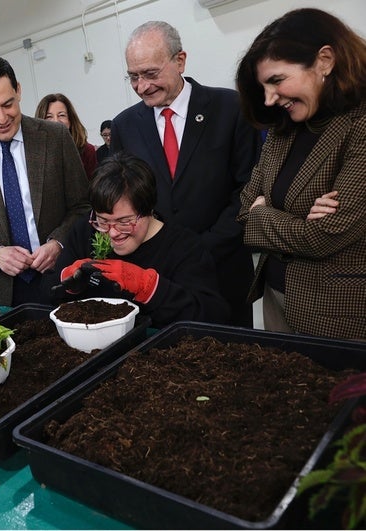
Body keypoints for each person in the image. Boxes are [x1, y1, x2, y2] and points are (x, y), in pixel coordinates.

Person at [110, 21, 259, 328]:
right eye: (133, 77)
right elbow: (125, 198)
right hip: (159, 280)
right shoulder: (125, 125)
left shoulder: (230, 108)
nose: (142, 86)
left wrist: (202, 248)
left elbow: (247, 189)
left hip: (224, 269)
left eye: (151, 74)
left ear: (180, 61)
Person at [235, 8, 366, 340]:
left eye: (277, 81)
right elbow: (243, 210)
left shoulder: (359, 125)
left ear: (324, 60)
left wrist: (263, 214)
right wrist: (299, 222)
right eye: (264, 86)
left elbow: (326, 236)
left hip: (336, 314)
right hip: (276, 299)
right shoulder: (284, 130)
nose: (269, 98)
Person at [0, 56, 90, 307]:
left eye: (8, 104)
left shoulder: (55, 138)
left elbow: (83, 206)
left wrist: (58, 243)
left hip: (60, 278)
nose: (1, 118)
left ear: (19, 91)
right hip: (0, 293)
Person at [46, 152, 229, 328]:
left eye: (124, 222)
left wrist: (149, 287)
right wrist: (68, 283)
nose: (112, 233)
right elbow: (47, 293)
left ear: (148, 210)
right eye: (102, 221)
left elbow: (212, 316)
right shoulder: (84, 231)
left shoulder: (184, 248)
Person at [34, 93, 98, 180]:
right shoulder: (33, 153)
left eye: (61, 115)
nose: (56, 121)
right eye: (49, 116)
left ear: (70, 119)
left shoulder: (87, 151)